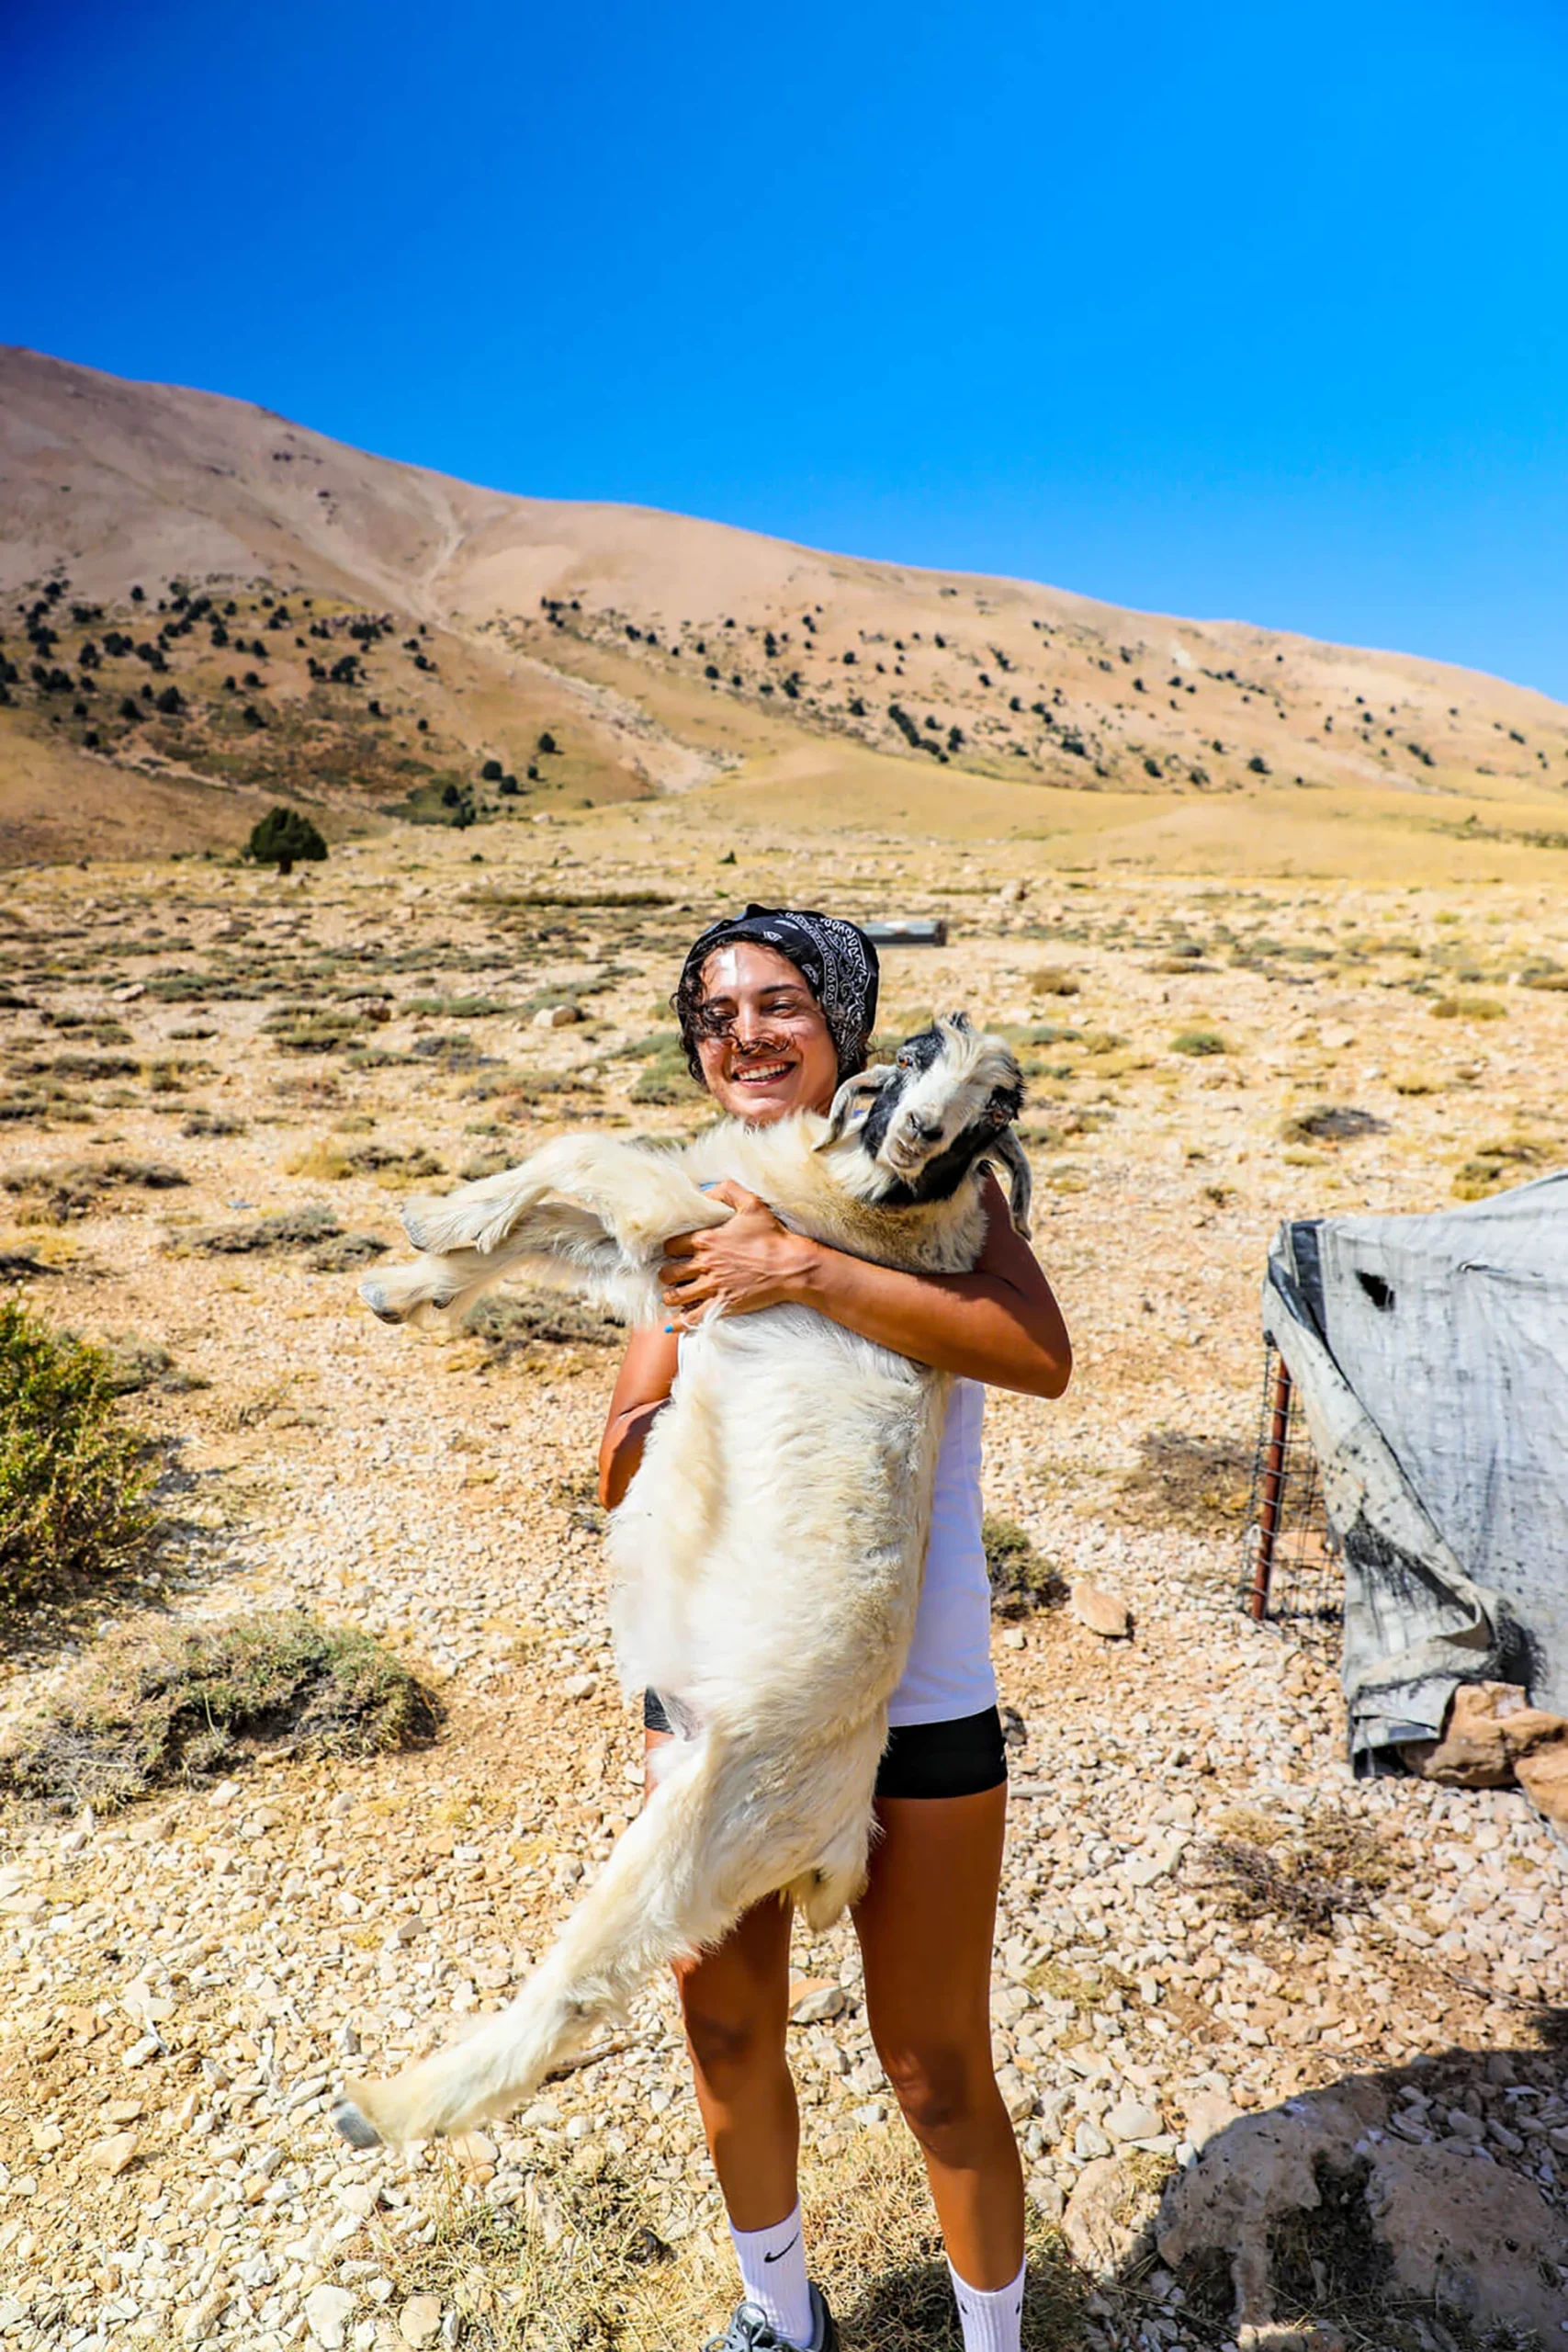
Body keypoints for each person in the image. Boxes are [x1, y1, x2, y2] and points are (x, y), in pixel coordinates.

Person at [597, 906, 1072, 2352]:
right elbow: (621, 1442)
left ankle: (992, 2339)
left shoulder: (934, 1187)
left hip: (915, 1694)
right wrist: (653, 1421)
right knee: (725, 2023)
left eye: (779, 1002)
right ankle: (776, 2319)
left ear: (843, 1026)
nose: (741, 1031)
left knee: (932, 2065)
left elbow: (1036, 1356)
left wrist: (799, 1271)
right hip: (725, 1687)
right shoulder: (689, 1194)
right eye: (714, 1010)